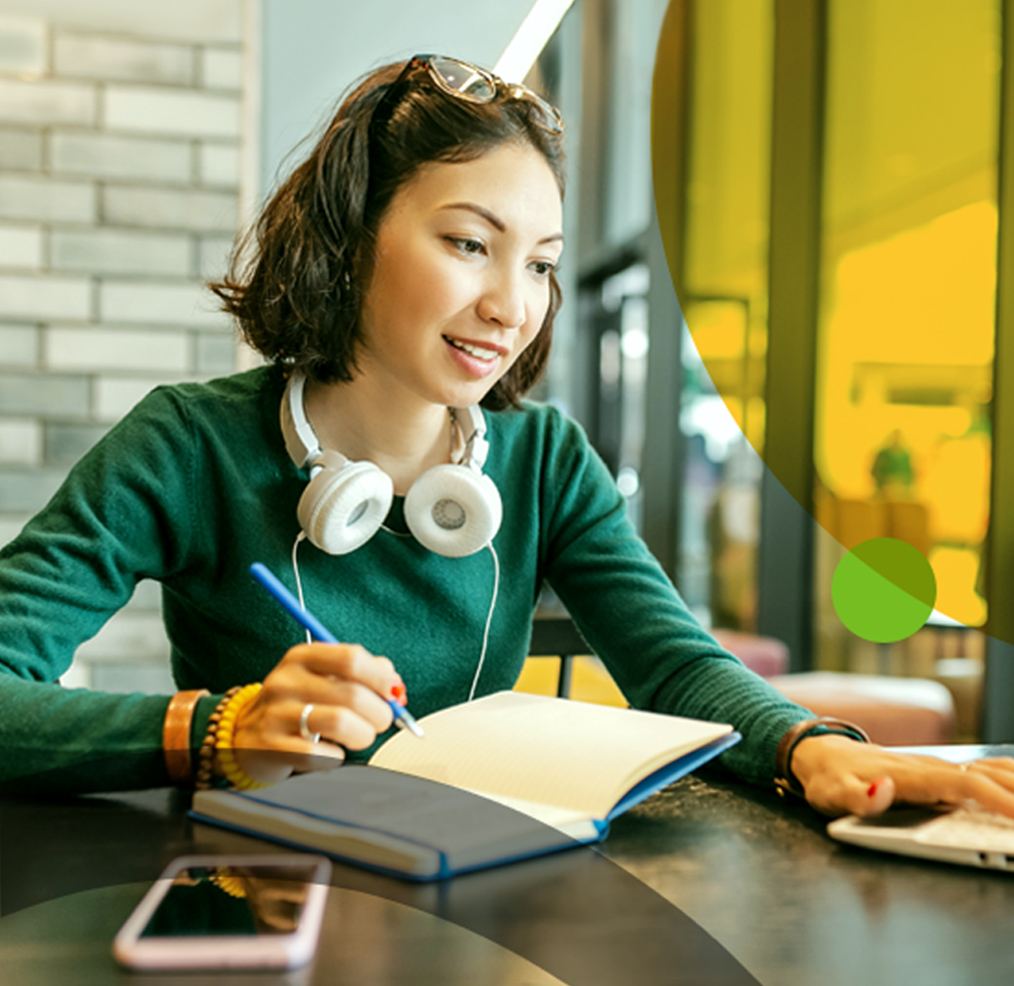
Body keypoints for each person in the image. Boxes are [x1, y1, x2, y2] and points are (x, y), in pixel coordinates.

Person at [1, 55, 1012, 820]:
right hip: (259, 893)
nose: (510, 305)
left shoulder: (544, 459)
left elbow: (674, 662)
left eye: (540, 264)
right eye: (469, 244)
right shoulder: (189, 444)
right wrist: (214, 729)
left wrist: (807, 747)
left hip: (481, 888)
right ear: (353, 235)